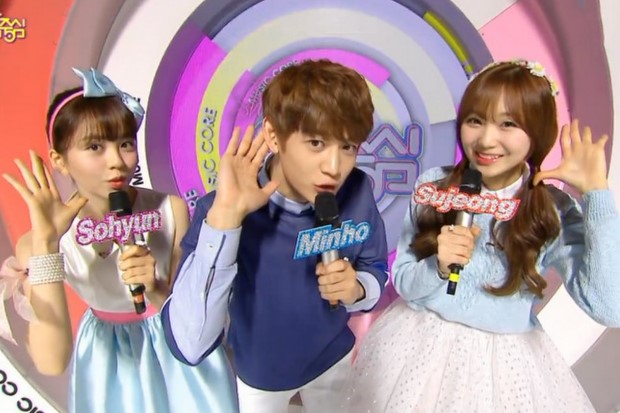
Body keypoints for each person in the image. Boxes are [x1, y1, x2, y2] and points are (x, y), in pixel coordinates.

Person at [342, 60, 620, 412]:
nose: (486, 140)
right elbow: (405, 283)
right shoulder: (434, 185)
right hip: (416, 348)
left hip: (503, 368)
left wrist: (596, 195)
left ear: (537, 130)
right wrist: (438, 266)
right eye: (475, 121)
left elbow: (610, 307)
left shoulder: (552, 209)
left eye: (508, 124)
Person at [1, 68, 238, 413]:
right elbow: (51, 361)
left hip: (177, 350)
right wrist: (47, 245)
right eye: (95, 147)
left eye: (125, 143)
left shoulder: (170, 210)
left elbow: (192, 316)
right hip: (107, 361)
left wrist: (154, 287)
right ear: (59, 160)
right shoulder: (38, 242)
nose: (117, 162)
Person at [161, 59, 389, 413]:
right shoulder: (220, 210)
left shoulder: (357, 189)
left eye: (348, 147)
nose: (334, 167)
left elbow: (375, 266)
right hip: (260, 375)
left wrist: (356, 288)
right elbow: (189, 344)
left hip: (334, 358)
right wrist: (226, 221)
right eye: (316, 142)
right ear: (272, 135)